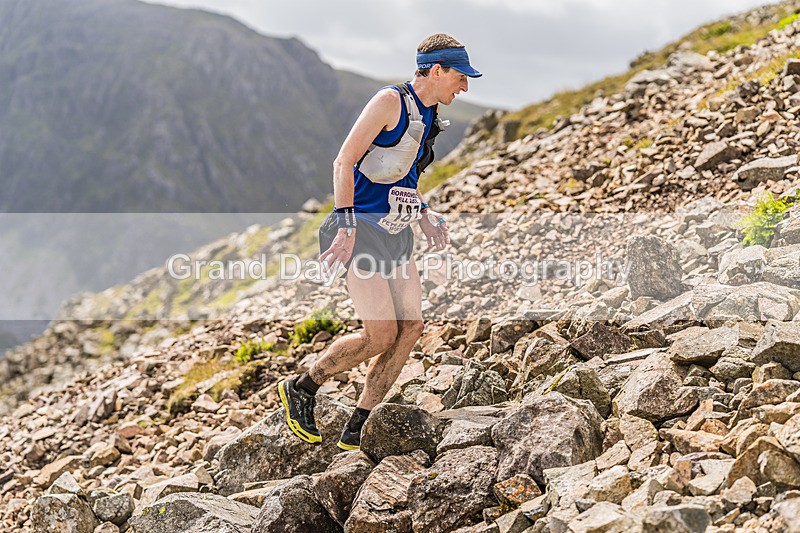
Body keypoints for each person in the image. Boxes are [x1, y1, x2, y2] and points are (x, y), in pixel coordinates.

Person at [278, 33, 481, 450]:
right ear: (437, 70)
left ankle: (360, 422)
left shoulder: (431, 115)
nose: (464, 87)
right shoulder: (391, 102)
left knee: (411, 327)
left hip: (396, 231)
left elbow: (405, 176)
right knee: (380, 334)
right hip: (358, 230)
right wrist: (347, 225)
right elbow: (344, 161)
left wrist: (423, 213)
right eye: (460, 77)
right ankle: (303, 386)